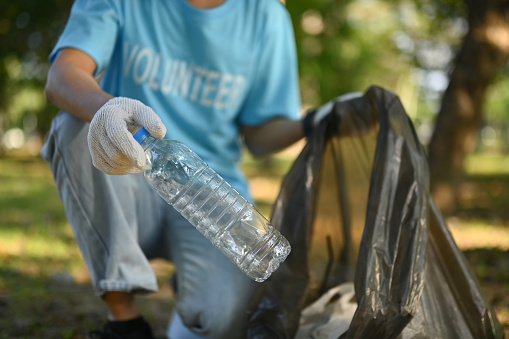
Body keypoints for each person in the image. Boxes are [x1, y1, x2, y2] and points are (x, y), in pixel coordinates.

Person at [42, 0, 322, 338]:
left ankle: (194, 297)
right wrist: (108, 107)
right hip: (126, 175)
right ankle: (124, 322)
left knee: (224, 319)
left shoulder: (265, 15)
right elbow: (62, 75)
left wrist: (314, 121)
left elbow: (259, 139)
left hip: (212, 193)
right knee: (77, 125)